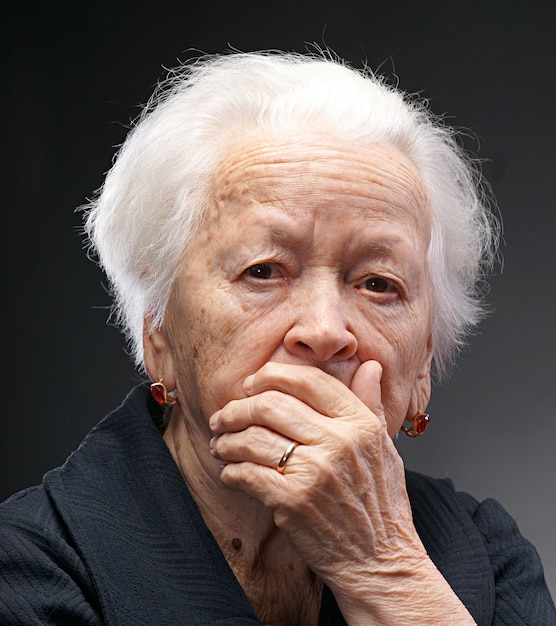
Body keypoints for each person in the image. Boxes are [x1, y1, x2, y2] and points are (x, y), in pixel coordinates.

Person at [1, 49, 554, 626]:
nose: (324, 331)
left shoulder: (486, 560)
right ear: (157, 329)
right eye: (262, 271)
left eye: (377, 283)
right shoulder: (30, 570)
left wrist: (385, 570)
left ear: (423, 367)